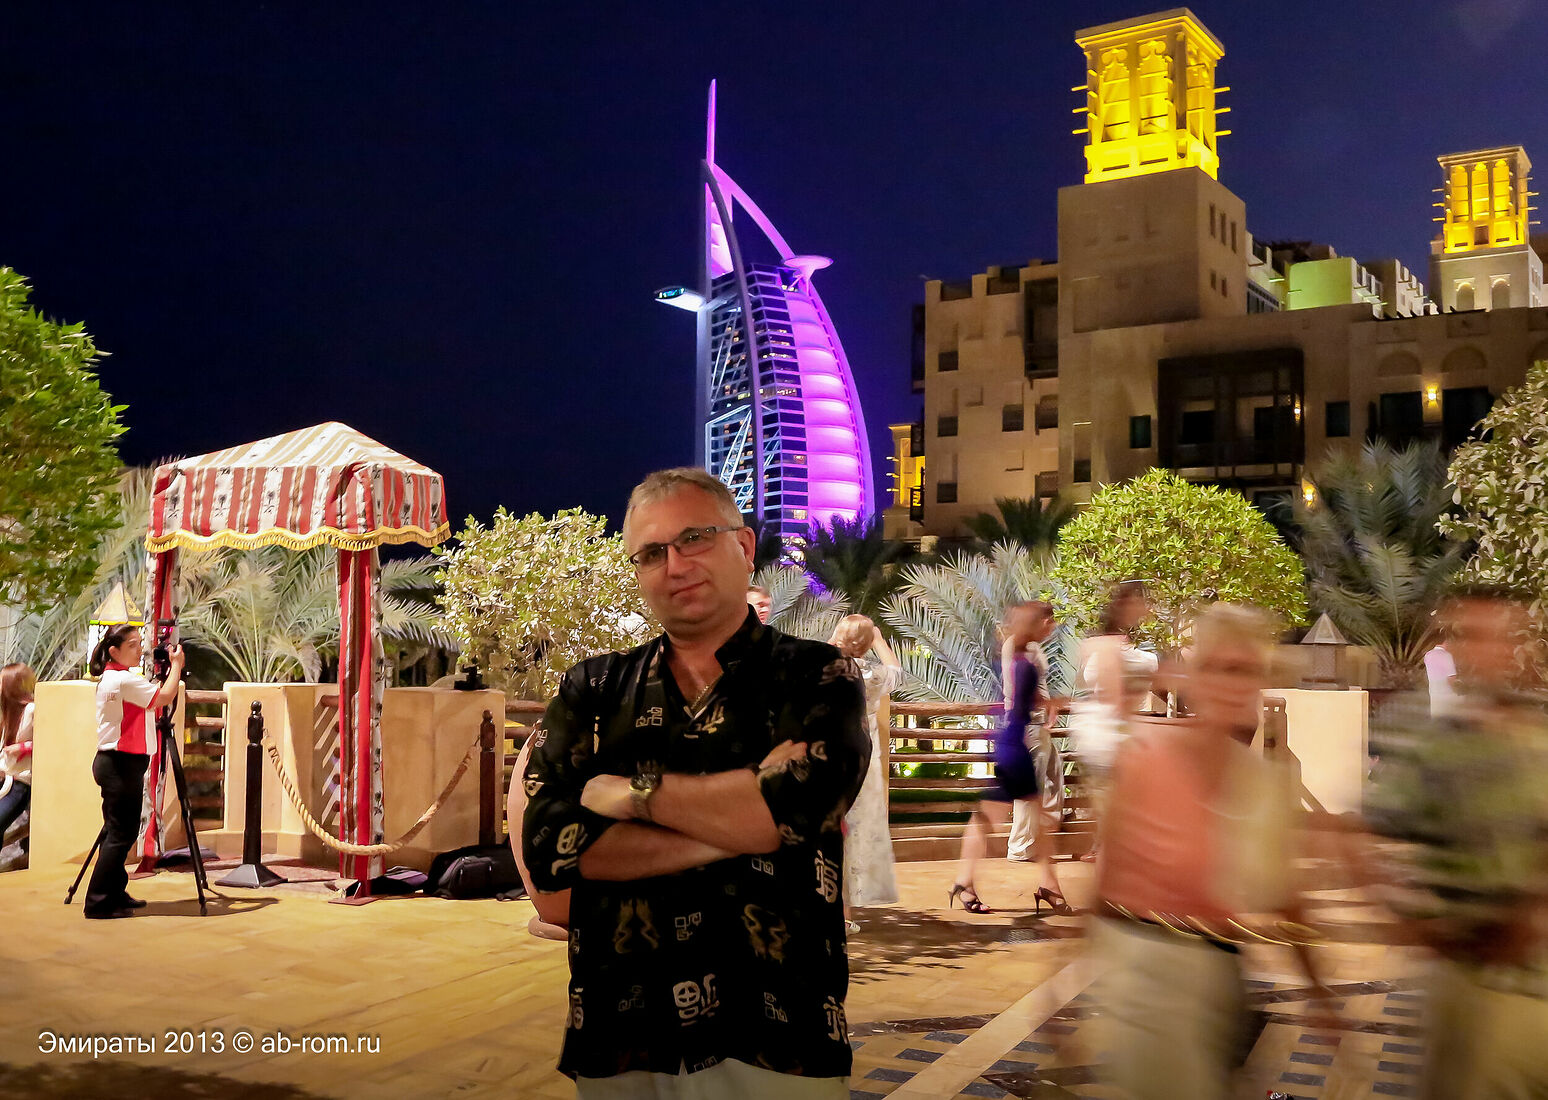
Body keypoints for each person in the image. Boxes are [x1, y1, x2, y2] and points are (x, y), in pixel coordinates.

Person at [523, 467, 869, 1098]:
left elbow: (794, 808)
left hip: (779, 1030)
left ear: (743, 545)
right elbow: (549, 847)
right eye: (652, 552)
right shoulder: (592, 690)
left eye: (694, 538)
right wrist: (746, 821)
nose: (675, 565)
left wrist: (633, 796)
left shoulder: (819, 676)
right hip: (621, 1029)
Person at [1092, 603, 1332, 1100]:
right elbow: (1103, 885)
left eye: (1245, 670)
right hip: (1147, 984)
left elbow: (1285, 896)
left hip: (1219, 978)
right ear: (1196, 676)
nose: (1231, 683)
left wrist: (1318, 991)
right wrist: (1059, 986)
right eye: (1220, 667)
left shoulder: (1261, 784)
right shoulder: (1144, 759)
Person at [1366, 586, 1548, 1098]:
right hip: (1454, 976)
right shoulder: (1431, 738)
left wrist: (1532, 910)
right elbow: (1366, 828)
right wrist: (1402, 913)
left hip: (1524, 982)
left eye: (1498, 636)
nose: (1485, 650)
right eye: (1471, 635)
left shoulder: (1538, 735)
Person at [950, 601, 1072, 916]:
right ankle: (969, 882)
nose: (1052, 627)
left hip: (1011, 743)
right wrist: (1049, 704)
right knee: (994, 818)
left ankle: (968, 882)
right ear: (1036, 624)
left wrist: (1049, 702)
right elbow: (1019, 705)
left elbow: (1020, 699)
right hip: (1016, 746)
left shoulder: (1020, 655)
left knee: (993, 817)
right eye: (1048, 622)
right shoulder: (1023, 661)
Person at [84, 625, 184, 920]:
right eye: (132, 645)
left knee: (118, 833)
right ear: (114, 651)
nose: (140, 649)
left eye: (139, 643)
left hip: (116, 762)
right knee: (120, 835)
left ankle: (115, 892)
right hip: (120, 763)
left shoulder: (115, 678)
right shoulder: (124, 680)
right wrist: (177, 665)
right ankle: (98, 901)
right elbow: (164, 696)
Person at [1069, 580, 1158, 862]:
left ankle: (1107, 853)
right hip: (1108, 737)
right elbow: (1114, 698)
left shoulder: (1100, 645)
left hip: (1100, 735)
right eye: (1140, 603)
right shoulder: (1111, 646)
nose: (1146, 609)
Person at [827, 614, 900, 931]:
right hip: (863, 760)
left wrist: (833, 642)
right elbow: (897, 672)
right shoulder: (873, 674)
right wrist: (879, 641)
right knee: (854, 834)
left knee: (830, 831)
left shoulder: (826, 669)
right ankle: (845, 915)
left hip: (830, 758)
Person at [0, 663, 37, 849]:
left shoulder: (31, 710)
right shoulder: (10, 712)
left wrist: (21, 748)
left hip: (20, 783)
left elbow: (48, 742)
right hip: (7, 779)